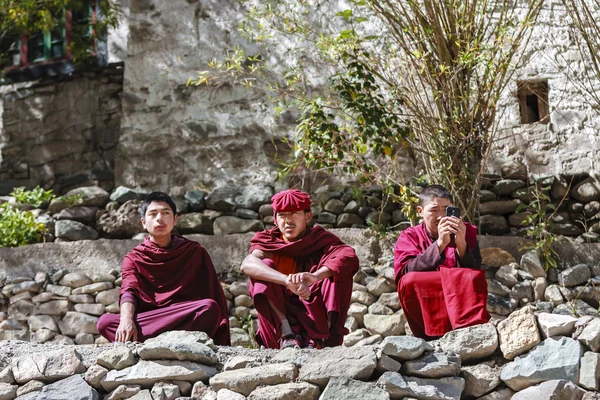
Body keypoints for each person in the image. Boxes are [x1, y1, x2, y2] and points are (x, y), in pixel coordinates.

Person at [97, 192, 230, 345]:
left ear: (175, 220)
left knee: (209, 308)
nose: (159, 218)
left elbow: (212, 295)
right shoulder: (134, 258)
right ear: (143, 222)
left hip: (183, 315)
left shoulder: (194, 252)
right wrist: (126, 320)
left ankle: (150, 341)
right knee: (105, 322)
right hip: (152, 319)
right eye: (153, 214)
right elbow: (129, 290)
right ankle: (166, 341)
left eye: (165, 213)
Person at [241, 189, 359, 349]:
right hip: (279, 327)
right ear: (275, 219)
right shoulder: (267, 241)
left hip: (315, 316)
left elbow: (348, 255)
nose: (287, 220)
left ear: (307, 216)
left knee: (336, 270)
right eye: (282, 215)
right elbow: (248, 264)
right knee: (262, 269)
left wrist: (315, 276)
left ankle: (322, 336)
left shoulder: (320, 240)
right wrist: (285, 280)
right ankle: (287, 333)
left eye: (293, 213)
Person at [393, 184, 489, 340]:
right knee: (409, 281)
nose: (440, 216)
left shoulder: (465, 231)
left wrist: (461, 244)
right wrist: (439, 245)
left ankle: (468, 332)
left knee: (472, 277)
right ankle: (429, 335)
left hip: (459, 295)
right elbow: (405, 272)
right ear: (420, 211)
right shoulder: (409, 236)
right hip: (428, 295)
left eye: (446, 209)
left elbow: (474, 272)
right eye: (433, 210)